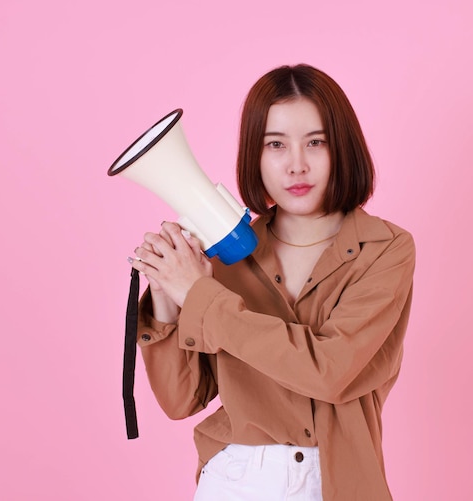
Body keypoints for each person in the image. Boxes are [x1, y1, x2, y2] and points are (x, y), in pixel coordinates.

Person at [128, 64, 415, 501]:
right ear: (255, 156)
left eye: (316, 142)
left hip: (340, 479)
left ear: (344, 148)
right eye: (276, 144)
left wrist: (200, 296)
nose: (296, 165)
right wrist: (169, 298)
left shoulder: (386, 249)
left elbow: (330, 371)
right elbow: (181, 401)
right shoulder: (222, 254)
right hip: (236, 477)